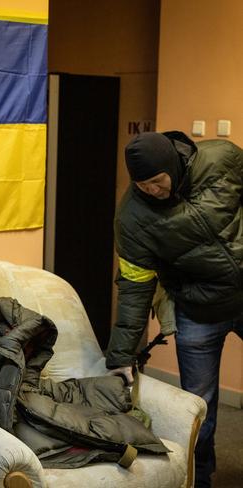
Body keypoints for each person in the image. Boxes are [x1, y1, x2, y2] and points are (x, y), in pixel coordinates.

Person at [105, 130, 243, 487]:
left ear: (172, 166)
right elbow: (135, 286)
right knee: (198, 411)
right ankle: (199, 479)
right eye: (140, 184)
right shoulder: (132, 219)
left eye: (155, 180)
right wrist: (121, 355)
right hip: (198, 309)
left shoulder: (222, 159)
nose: (150, 189)